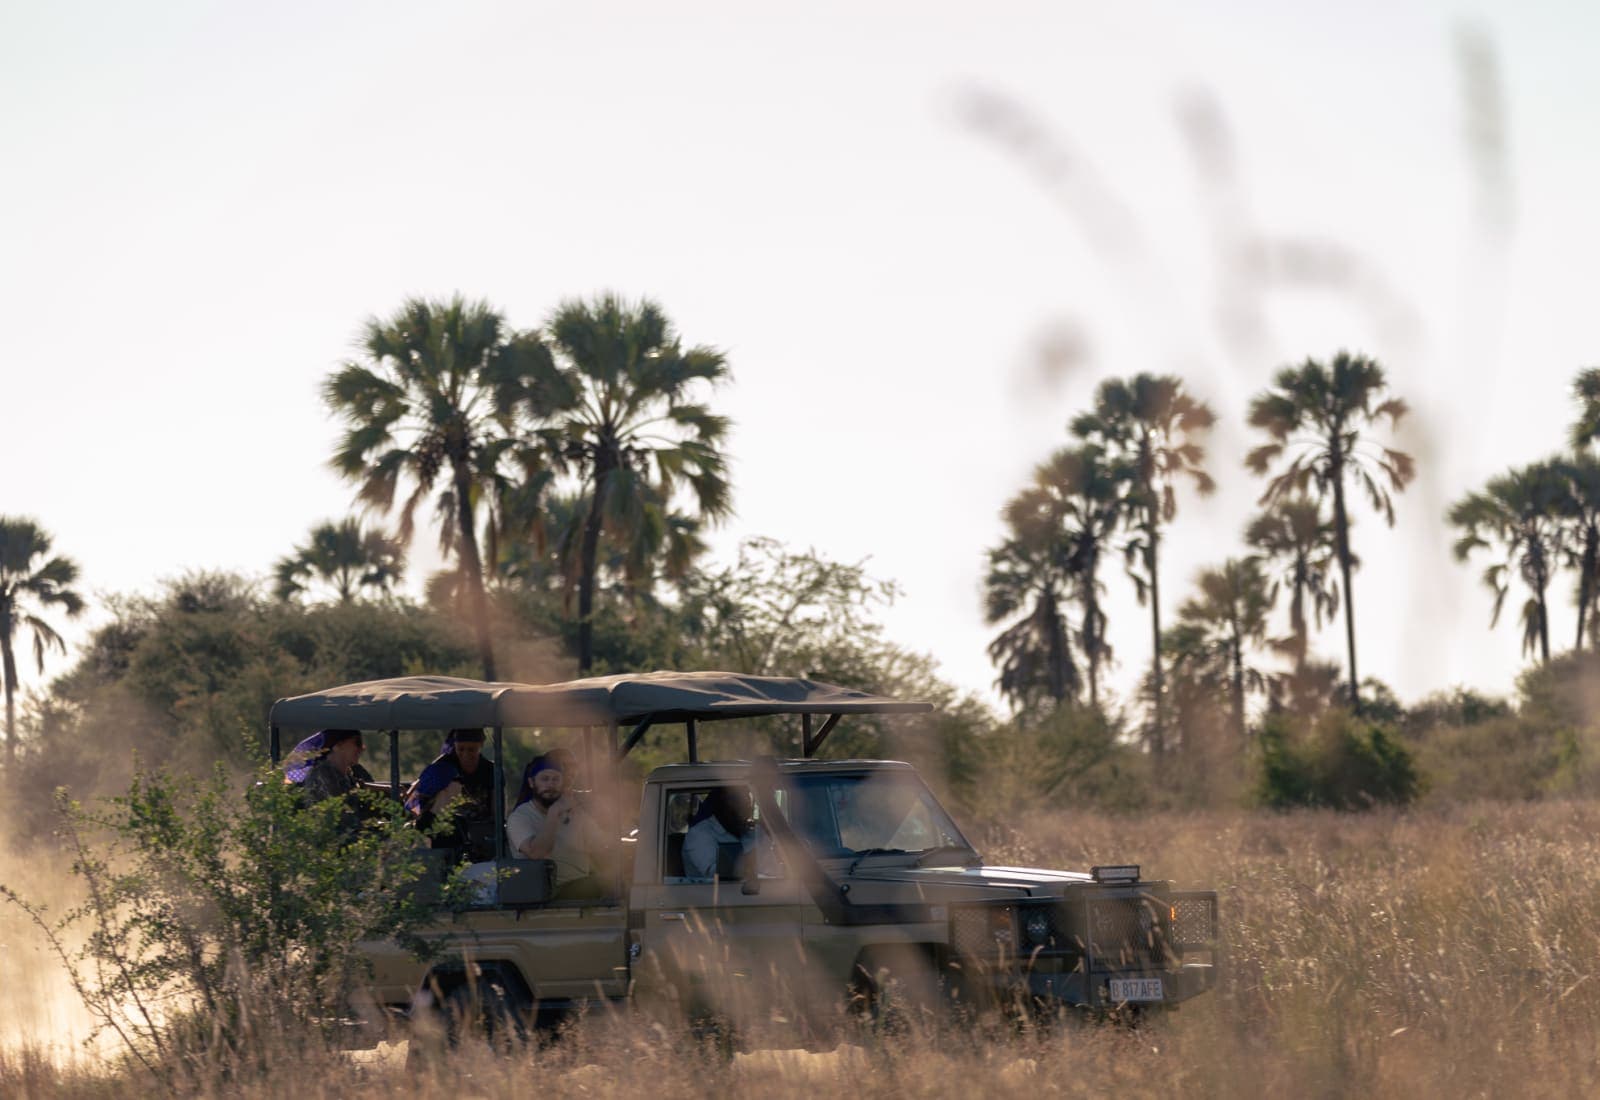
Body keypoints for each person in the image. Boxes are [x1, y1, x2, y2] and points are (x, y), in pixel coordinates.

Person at [505, 754, 608, 895]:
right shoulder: (519, 818)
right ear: (531, 782)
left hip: (581, 885)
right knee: (604, 885)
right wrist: (554, 813)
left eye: (556, 779)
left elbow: (603, 845)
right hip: (546, 892)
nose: (550, 785)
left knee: (618, 879)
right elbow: (537, 853)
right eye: (544, 779)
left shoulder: (574, 812)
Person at [406, 728, 498, 862]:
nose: (466, 755)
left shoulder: (490, 771)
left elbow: (496, 809)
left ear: (481, 746)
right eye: (461, 749)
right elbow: (416, 807)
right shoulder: (442, 769)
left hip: (480, 832)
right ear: (454, 746)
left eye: (471, 749)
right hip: (443, 829)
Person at [683, 786, 782, 880]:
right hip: (714, 896)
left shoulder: (753, 833)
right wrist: (749, 858)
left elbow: (774, 873)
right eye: (738, 801)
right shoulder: (699, 834)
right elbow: (715, 876)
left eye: (747, 800)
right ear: (722, 804)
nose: (745, 810)